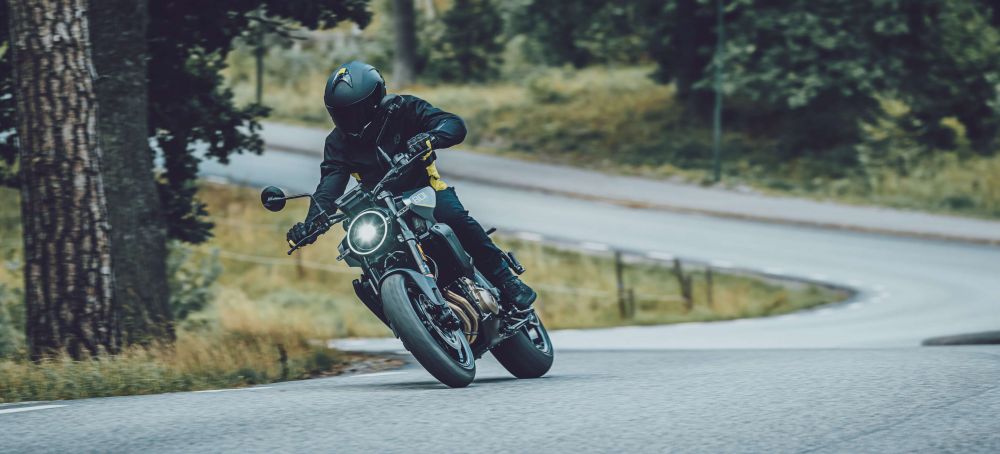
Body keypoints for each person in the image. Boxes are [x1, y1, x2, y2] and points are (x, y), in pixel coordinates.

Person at [286, 61, 536, 309]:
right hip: (381, 208)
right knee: (363, 253)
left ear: (374, 100)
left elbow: (453, 124)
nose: (348, 119)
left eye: (354, 111)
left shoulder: (403, 109)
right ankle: (403, 310)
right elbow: (329, 185)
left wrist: (430, 138)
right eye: (340, 113)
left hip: (426, 191)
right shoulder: (337, 143)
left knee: (454, 217)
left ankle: (506, 279)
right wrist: (311, 223)